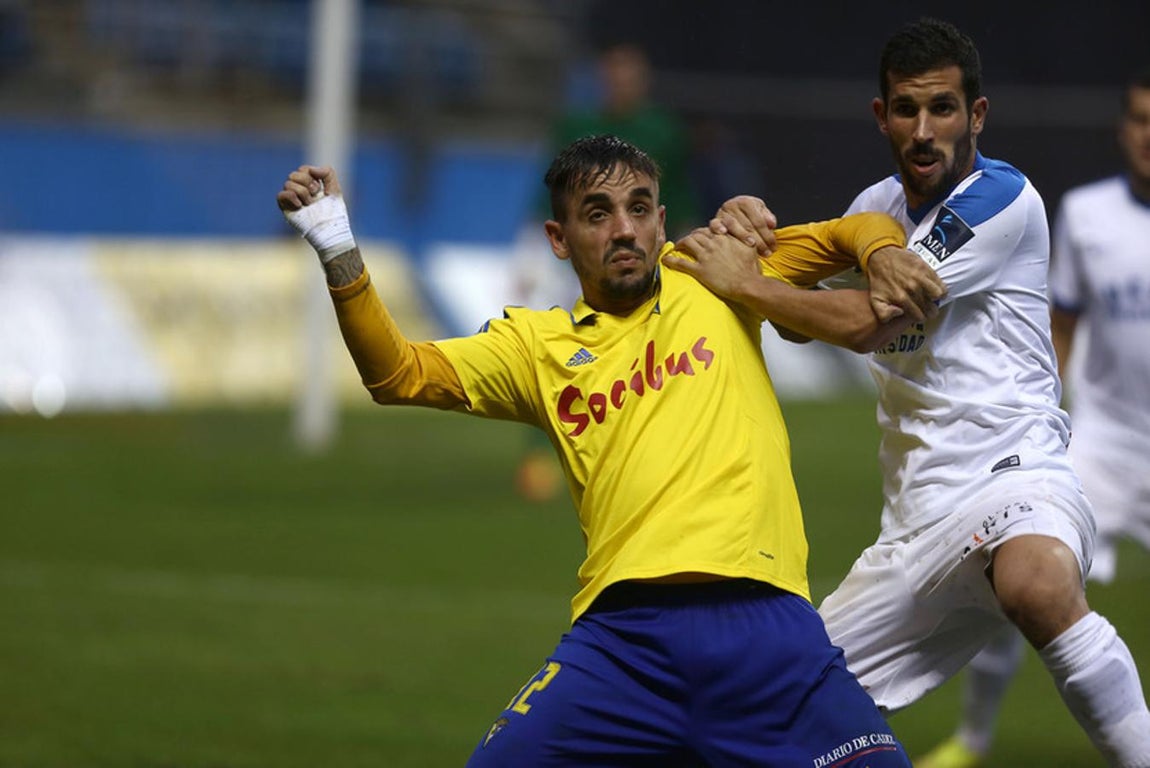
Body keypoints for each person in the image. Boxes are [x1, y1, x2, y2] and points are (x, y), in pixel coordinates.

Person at [276, 134, 933, 766]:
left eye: (639, 208)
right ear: (558, 240)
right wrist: (336, 242)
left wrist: (880, 256)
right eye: (598, 214)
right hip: (622, 647)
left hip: (762, 630)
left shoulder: (712, 270)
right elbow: (396, 374)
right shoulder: (535, 348)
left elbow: (855, 229)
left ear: (660, 220)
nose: (624, 229)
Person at [666, 18, 1150, 767]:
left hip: (1014, 474)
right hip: (914, 522)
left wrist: (749, 282)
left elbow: (862, 324)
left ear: (976, 116)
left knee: (1035, 585)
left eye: (943, 109)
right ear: (880, 115)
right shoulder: (873, 210)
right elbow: (803, 322)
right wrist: (746, 235)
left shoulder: (1002, 199)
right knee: (786, 705)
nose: (924, 130)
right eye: (906, 110)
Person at [914, 64, 1150, 768]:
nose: (1149, 135)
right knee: (1015, 573)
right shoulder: (1084, 214)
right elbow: (1062, 325)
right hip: (1101, 441)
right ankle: (975, 741)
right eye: (1139, 119)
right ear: (1121, 128)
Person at [512, 41, 702, 502]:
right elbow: (549, 193)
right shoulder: (577, 126)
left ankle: (644, 446)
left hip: (644, 256)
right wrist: (527, 253)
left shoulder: (663, 132)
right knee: (559, 351)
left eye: (629, 75)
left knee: (652, 352)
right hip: (577, 258)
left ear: (643, 81)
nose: (621, 83)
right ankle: (544, 452)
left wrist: (693, 256)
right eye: (614, 74)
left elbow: (678, 196)